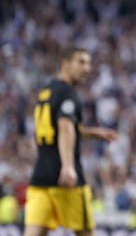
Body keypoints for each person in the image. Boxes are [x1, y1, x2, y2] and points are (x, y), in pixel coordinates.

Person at [23, 46, 118, 236]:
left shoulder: (47, 92)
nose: (87, 68)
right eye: (81, 62)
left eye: (88, 63)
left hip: (41, 178)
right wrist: (68, 166)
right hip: (65, 180)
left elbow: (59, 128)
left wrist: (91, 133)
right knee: (84, 232)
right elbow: (65, 128)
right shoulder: (68, 94)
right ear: (66, 64)